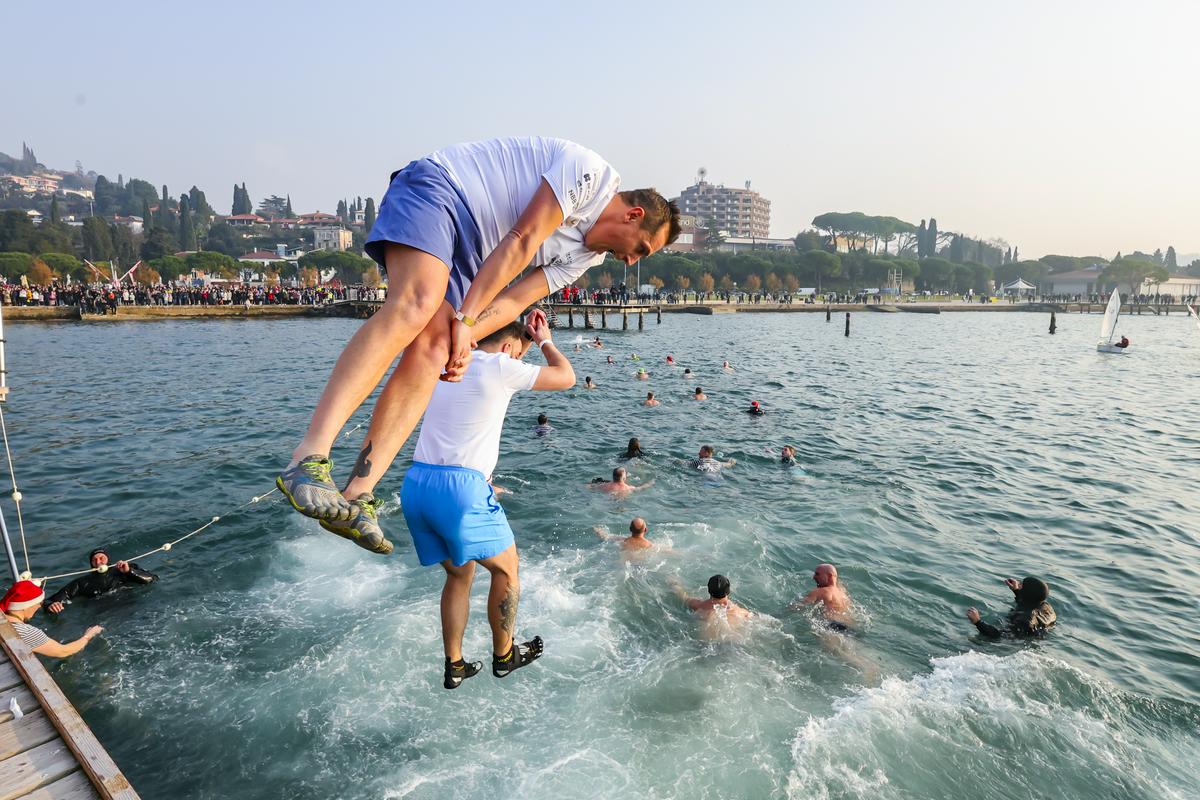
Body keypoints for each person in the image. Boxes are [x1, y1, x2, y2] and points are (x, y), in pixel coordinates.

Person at [277, 136, 680, 547]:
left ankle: (357, 495)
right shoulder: (590, 174)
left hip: (479, 253)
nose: (632, 261)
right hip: (442, 191)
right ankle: (309, 457)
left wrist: (465, 334)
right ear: (632, 215)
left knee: (435, 349)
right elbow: (522, 240)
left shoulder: (583, 259)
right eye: (641, 249)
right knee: (415, 304)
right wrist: (467, 318)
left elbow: (514, 300)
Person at [400, 315, 575, 688]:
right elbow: (566, 376)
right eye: (520, 353)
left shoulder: (450, 362)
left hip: (416, 483)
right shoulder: (499, 365)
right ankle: (505, 654)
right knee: (507, 570)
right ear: (510, 347)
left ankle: (455, 664)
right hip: (460, 489)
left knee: (460, 574)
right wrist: (543, 340)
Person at [1, 580, 102, 659]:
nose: (39, 607)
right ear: (25, 606)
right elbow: (63, 651)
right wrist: (88, 635)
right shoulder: (26, 632)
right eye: (39, 603)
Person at [45, 548, 158, 615]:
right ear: (91, 564)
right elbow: (49, 600)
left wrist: (129, 572)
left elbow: (152, 579)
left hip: (129, 608)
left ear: (108, 559)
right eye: (94, 560)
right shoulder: (82, 582)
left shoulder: (124, 569)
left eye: (101, 558)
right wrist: (52, 605)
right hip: (102, 614)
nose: (98, 561)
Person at [966, 576, 1056, 638]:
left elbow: (1000, 636)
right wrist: (1016, 590)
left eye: (1022, 586)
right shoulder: (1046, 607)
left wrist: (978, 622)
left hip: (1015, 641)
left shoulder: (1024, 620)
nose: (1019, 585)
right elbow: (1027, 602)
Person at [670, 574, 753, 641]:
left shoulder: (699, 606)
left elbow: (682, 596)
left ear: (709, 590)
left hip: (705, 646)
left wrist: (674, 582)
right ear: (728, 591)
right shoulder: (741, 612)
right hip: (731, 645)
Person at [792, 563, 854, 632]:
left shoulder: (820, 591)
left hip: (831, 625)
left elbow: (798, 606)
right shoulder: (842, 592)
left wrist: (780, 616)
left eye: (817, 574)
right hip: (847, 627)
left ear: (829, 576)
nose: (814, 577)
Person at [588, 467, 654, 498]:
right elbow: (642, 488)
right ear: (624, 478)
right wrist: (651, 482)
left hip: (606, 501)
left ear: (613, 476)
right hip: (620, 504)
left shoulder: (603, 485)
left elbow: (589, 486)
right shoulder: (629, 488)